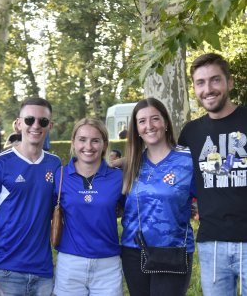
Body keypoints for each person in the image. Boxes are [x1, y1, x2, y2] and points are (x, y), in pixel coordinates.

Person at [0, 97, 61, 296]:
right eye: (29, 120)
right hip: (5, 272)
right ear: (18, 123)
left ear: (50, 126)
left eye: (43, 121)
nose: (36, 126)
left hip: (44, 273)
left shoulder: (55, 164)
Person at [178, 53, 247, 296]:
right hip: (212, 242)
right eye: (200, 82)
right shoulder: (190, 133)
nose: (208, 89)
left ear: (229, 83)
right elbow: (166, 163)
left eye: (215, 80)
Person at [121, 98, 195, 296]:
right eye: (142, 121)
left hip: (173, 251)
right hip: (133, 251)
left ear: (165, 123)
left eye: (155, 119)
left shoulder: (188, 160)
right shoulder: (129, 165)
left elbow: (208, 200)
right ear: (136, 128)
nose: (149, 126)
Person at [53, 118, 124, 296]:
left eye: (95, 140)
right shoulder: (60, 175)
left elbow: (128, 211)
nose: (88, 146)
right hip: (70, 263)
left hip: (108, 263)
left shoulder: (118, 178)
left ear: (104, 144)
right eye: (82, 139)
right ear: (73, 142)